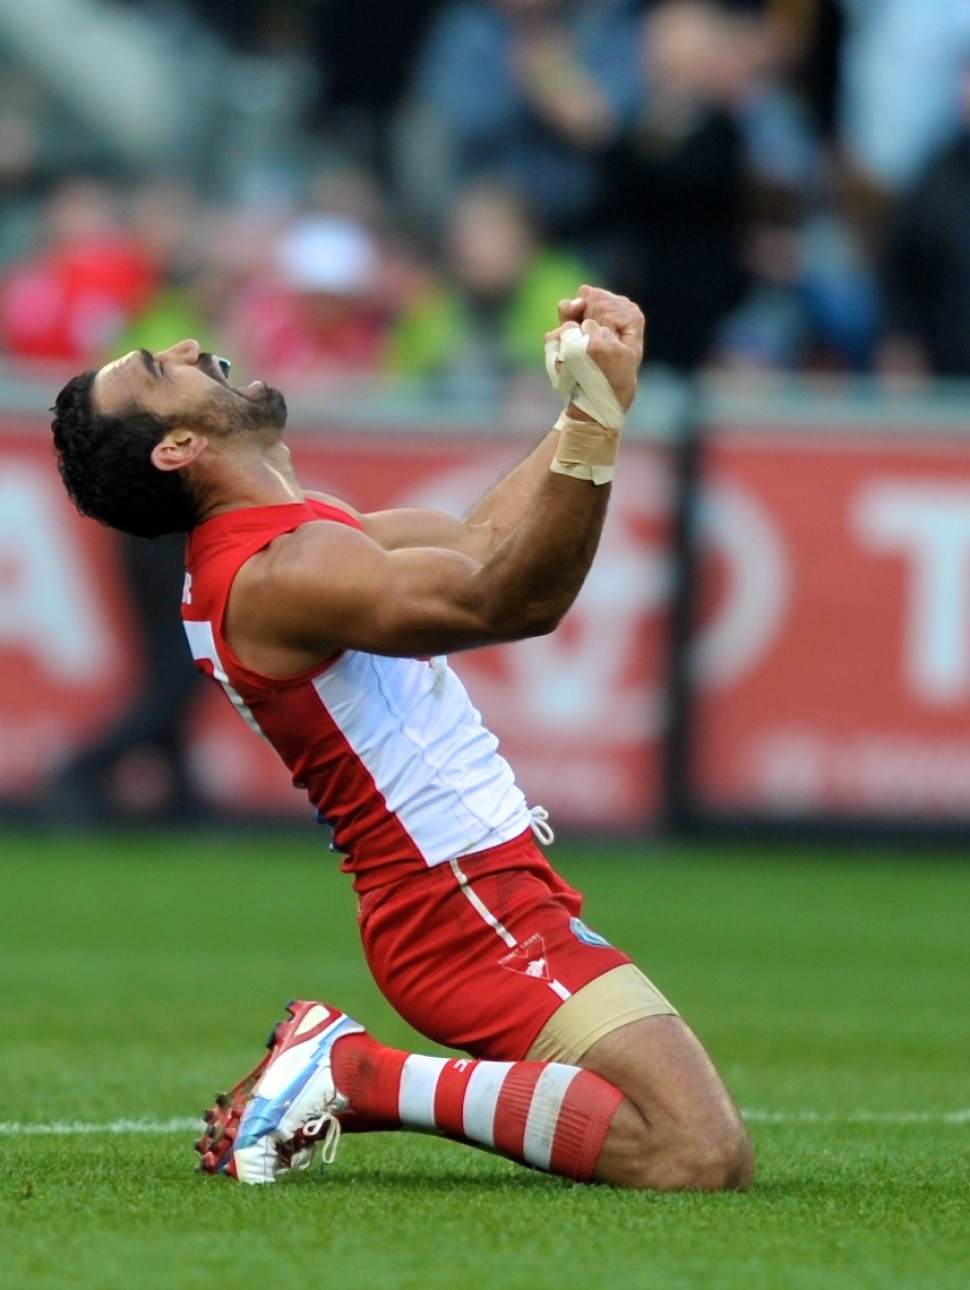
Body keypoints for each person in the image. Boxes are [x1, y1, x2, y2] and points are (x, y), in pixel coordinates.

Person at [50, 285, 753, 1191]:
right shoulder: (278, 574)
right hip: (457, 909)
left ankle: (356, 1074)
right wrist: (599, 426)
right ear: (178, 446)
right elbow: (509, 599)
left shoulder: (290, 540)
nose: (184, 344)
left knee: (695, 1143)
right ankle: (354, 1074)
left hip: (468, 894)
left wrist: (590, 401)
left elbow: (478, 539)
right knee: (695, 1153)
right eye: (157, 369)